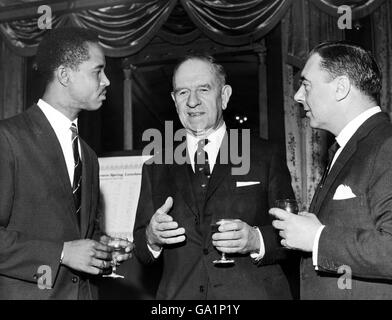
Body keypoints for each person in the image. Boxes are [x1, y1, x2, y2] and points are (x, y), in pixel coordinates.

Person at [133, 54, 296, 300]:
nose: (193, 102)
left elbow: (292, 235)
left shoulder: (264, 155)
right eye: (183, 92)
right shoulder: (156, 165)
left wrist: (255, 240)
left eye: (203, 89)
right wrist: (151, 238)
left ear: (225, 95)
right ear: (174, 100)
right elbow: (142, 249)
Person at [0, 27, 132, 300]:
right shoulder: (7, 139)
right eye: (98, 71)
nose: (106, 80)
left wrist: (101, 246)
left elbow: (77, 232)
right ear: (64, 75)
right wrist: (61, 253)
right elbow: (66, 247)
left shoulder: (89, 156)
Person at [270, 41, 392, 299]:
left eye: (306, 84)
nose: (298, 96)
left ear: (341, 87)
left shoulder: (386, 145)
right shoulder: (348, 148)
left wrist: (317, 238)